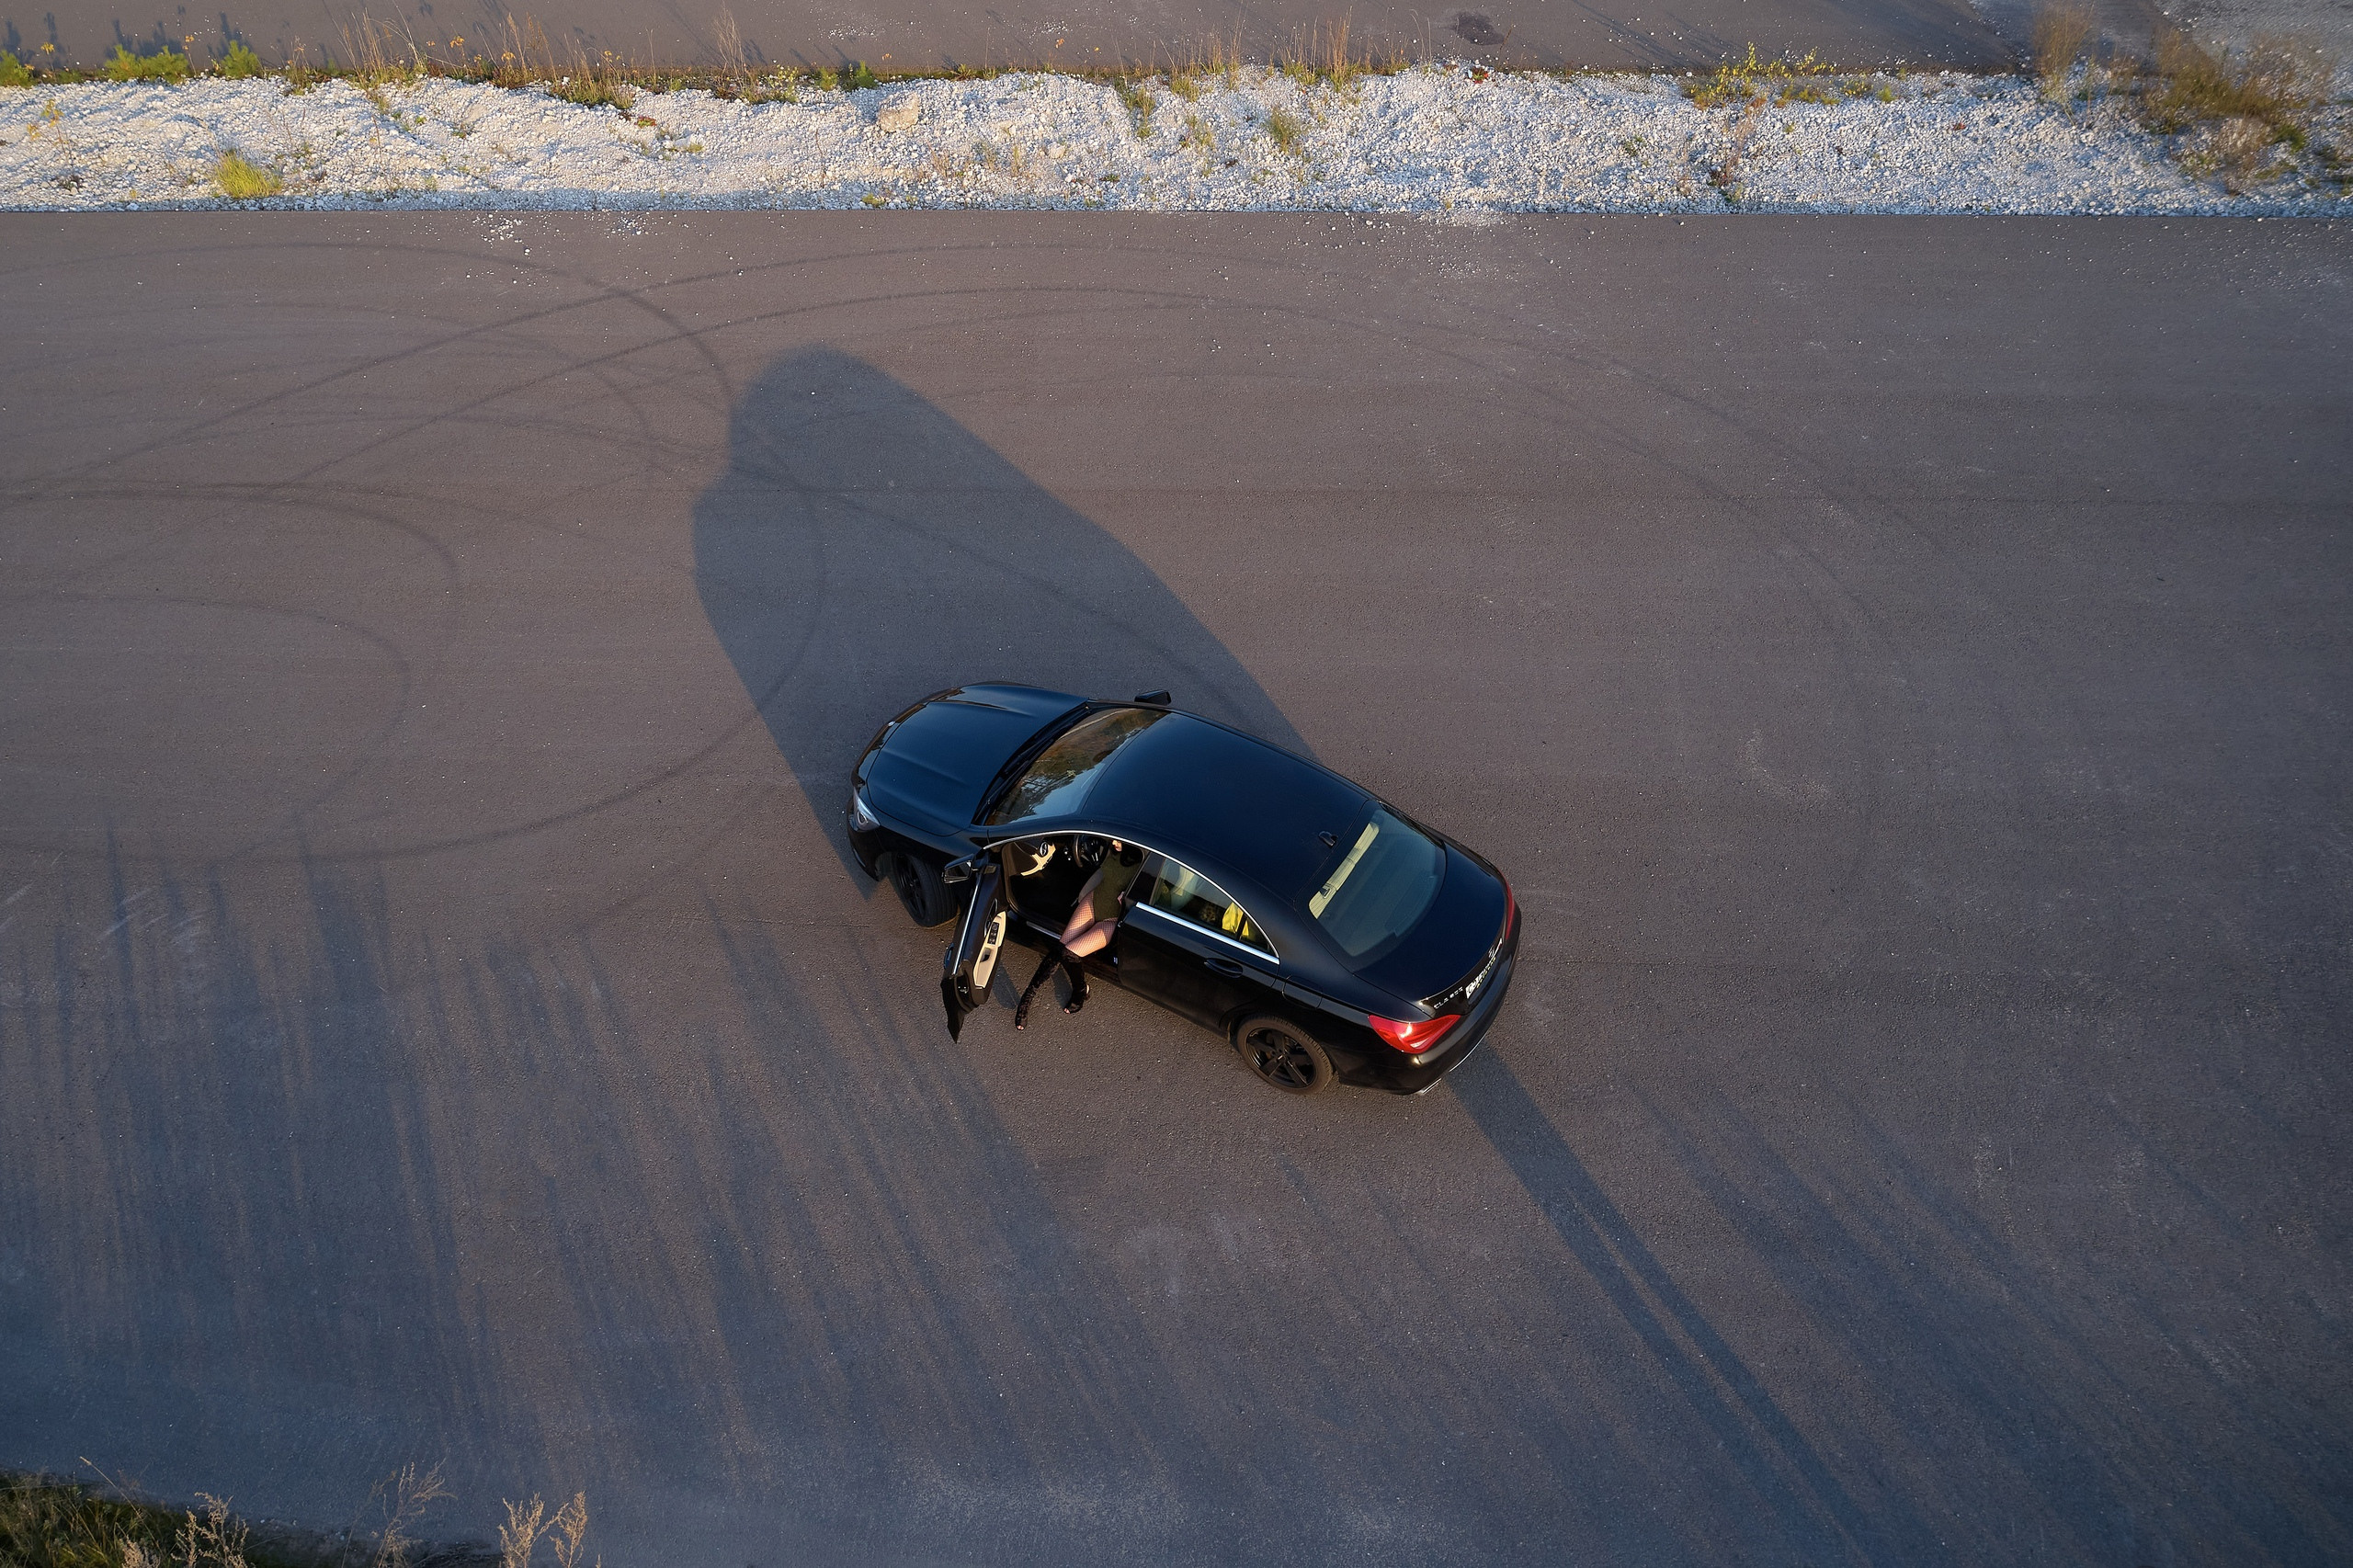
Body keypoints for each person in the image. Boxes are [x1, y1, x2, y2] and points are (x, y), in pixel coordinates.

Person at [1015, 838, 1145, 1029]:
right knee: (1060, 949)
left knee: (1069, 953)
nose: (1113, 842)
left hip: (1111, 918)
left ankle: (1080, 992)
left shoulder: (1142, 863)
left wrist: (1130, 898)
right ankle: (1026, 1000)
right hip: (1094, 900)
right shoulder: (1114, 850)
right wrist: (1084, 892)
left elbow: (1152, 894)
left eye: (1119, 840)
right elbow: (1102, 872)